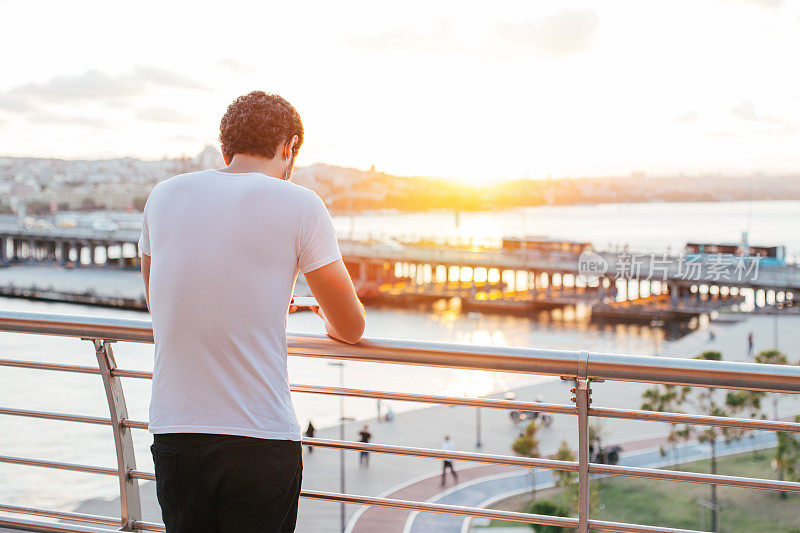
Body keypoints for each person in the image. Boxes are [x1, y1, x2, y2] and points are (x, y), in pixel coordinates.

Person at [140, 91, 366, 533]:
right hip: (260, 438)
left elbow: (161, 302)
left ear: (225, 148)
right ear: (290, 148)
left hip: (176, 434)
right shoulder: (301, 204)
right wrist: (318, 314)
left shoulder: (163, 196)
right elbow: (352, 327)